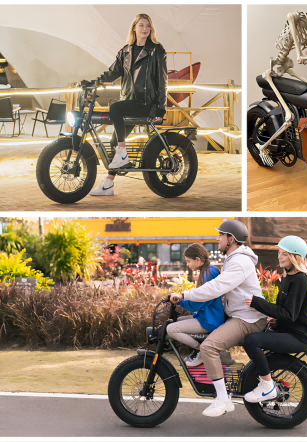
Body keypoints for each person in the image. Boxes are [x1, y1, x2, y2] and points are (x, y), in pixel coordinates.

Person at [170, 220, 267, 417]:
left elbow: (216, 287)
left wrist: (185, 296)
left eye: (220, 235)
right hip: (241, 316)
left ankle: (223, 399)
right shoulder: (234, 259)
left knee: (209, 346)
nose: (217, 239)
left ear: (231, 239)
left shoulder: (239, 262)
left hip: (248, 319)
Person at [88, 13, 168, 196]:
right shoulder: (125, 51)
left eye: (148, 25)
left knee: (115, 108)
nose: (145, 29)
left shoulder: (156, 50)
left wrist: (160, 108)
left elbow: (163, 81)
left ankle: (122, 152)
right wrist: (94, 82)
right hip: (130, 102)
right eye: (141, 25)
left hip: (146, 103)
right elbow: (112, 73)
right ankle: (108, 183)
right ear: (134, 28)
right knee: (116, 142)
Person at [241, 236, 307, 403]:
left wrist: (257, 303)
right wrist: (276, 322)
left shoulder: (299, 280)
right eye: (279, 252)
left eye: (284, 254)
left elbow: (288, 314)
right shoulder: (289, 277)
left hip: (299, 336)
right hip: (291, 331)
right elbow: (289, 314)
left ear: (294, 257)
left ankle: (267, 386)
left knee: (251, 341)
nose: (279, 257)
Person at [166, 243, 226, 367]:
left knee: (171, 329)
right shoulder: (211, 270)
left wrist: (180, 301)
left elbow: (198, 305)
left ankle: (201, 350)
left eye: (188, 261)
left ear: (197, 260)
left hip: (210, 320)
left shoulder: (207, 274)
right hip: (210, 316)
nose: (187, 264)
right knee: (178, 320)